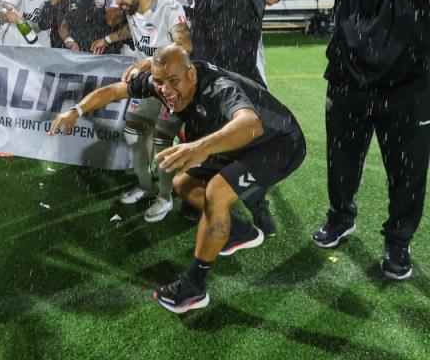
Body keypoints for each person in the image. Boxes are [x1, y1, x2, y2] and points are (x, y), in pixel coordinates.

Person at [50, 45, 306, 313]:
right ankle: (241, 232)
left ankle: (194, 287)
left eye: (174, 81)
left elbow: (250, 124)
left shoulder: (218, 86)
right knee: (183, 184)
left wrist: (198, 148)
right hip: (242, 141)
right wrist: (76, 111)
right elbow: (115, 91)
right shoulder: (161, 82)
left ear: (192, 75)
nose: (167, 91)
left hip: (280, 143)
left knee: (217, 191)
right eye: (159, 82)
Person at [284, 0, 430, 280]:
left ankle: (398, 242)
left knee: (408, 173)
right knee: (342, 162)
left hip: (407, 93)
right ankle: (340, 217)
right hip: (348, 88)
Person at [101, 0, 192, 222]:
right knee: (133, 134)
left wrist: (148, 63)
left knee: (162, 140)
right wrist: (107, 38)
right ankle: (145, 186)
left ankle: (165, 197)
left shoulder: (168, 7)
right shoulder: (132, 10)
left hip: (173, 86)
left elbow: (184, 46)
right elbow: (132, 32)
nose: (117, 1)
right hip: (148, 84)